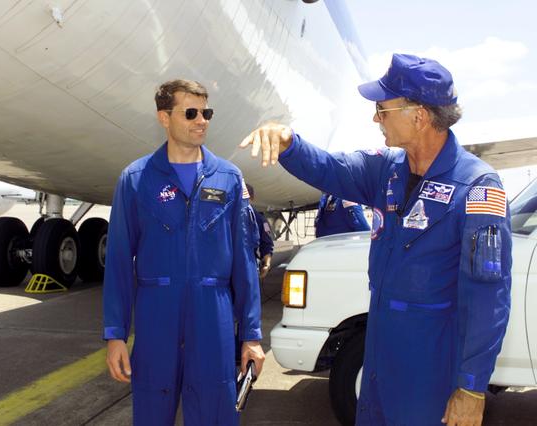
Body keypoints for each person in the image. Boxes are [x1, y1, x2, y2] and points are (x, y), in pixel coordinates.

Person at [240, 54, 512, 426]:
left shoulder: (477, 188)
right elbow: (329, 168)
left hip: (430, 370)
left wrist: (471, 387)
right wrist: (288, 143)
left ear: (418, 115)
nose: (375, 118)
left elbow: (488, 298)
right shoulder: (387, 169)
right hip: (378, 360)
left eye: (382, 109)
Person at [103, 79, 265, 426]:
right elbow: (118, 261)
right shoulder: (135, 179)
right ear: (164, 117)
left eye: (206, 112)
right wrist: (115, 334)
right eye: (190, 112)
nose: (201, 120)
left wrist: (251, 335)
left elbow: (244, 262)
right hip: (155, 316)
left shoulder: (229, 178)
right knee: (151, 412)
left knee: (215, 413)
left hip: (213, 317)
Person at [245, 183, 274, 279]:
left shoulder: (260, 220)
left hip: (247, 266)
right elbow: (267, 244)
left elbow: (266, 244)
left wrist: (266, 264)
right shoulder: (261, 220)